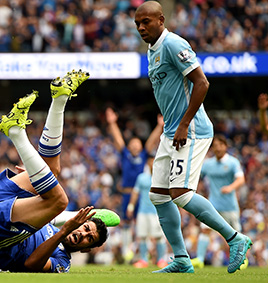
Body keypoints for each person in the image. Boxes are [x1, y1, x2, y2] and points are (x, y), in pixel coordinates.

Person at [134, 1, 251, 274]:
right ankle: (182, 259)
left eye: (146, 22)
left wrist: (185, 123)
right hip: (170, 132)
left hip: (191, 129)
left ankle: (236, 238)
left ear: (161, 20)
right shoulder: (152, 51)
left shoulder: (174, 44)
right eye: (138, 23)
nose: (141, 27)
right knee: (159, 196)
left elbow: (202, 83)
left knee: (182, 194)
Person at [0, 70, 109, 272]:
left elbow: (31, 265)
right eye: (85, 229)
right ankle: (60, 99)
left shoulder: (62, 261)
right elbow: (55, 213)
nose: (83, 235)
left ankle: (17, 133)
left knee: (58, 200)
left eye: (88, 239)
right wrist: (36, 172)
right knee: (50, 173)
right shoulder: (49, 221)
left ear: (86, 249)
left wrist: (63, 230)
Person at [105, 107, 163, 263]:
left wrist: (159, 126)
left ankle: (142, 253)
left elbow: (151, 141)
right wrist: (112, 123)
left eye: (138, 144)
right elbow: (118, 139)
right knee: (125, 222)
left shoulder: (144, 155)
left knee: (142, 223)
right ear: (130, 146)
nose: (136, 146)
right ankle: (127, 251)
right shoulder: (125, 155)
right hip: (127, 194)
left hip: (142, 195)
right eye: (133, 144)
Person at [191, 135, 246, 268]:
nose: (217, 148)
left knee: (235, 235)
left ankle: (241, 260)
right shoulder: (208, 164)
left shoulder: (233, 162)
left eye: (220, 145)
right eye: (215, 146)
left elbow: (241, 179)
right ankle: (199, 259)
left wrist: (230, 187)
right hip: (213, 204)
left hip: (229, 205)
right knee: (205, 230)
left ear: (225, 146)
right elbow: (197, 176)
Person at [126, 155, 168, 268]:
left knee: (159, 236)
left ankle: (161, 260)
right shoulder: (142, 178)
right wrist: (130, 206)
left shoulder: (162, 178)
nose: (152, 163)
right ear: (148, 162)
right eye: (150, 161)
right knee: (142, 235)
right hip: (142, 212)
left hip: (156, 212)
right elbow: (135, 192)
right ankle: (143, 260)